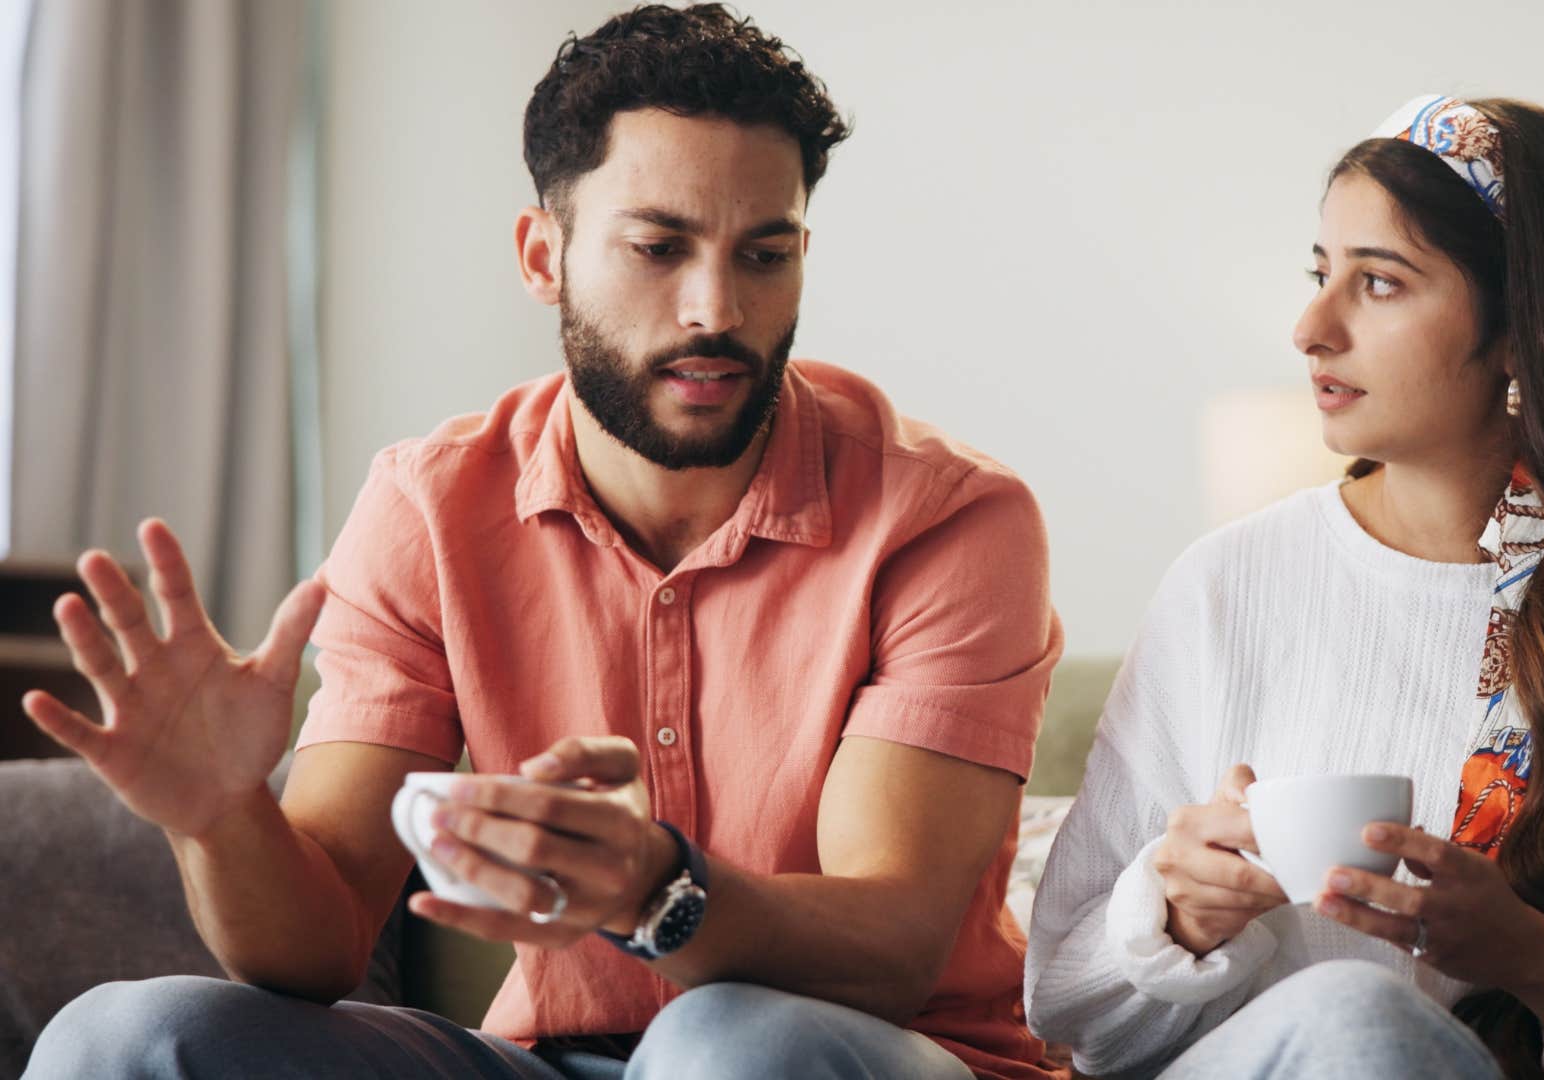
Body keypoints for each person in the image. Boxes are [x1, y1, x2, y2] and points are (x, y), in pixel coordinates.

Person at [23, 6, 1063, 1078]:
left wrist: (653, 885)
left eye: (765, 253)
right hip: (548, 1061)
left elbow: (890, 950)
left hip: (861, 1054)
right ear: (542, 254)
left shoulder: (948, 518)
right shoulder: (429, 506)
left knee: (735, 1044)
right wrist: (223, 818)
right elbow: (321, 945)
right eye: (659, 247)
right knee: (130, 1038)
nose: (717, 307)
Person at [1024, 95, 1544, 1079]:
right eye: (1320, 272)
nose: (1311, 327)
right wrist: (1174, 916)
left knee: (1362, 1019)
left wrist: (1543, 965)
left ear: (1523, 333)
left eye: (1380, 283)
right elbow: (1066, 1011)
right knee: (1349, 1015)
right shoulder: (1227, 586)